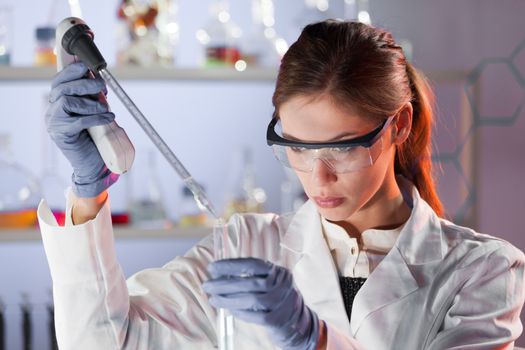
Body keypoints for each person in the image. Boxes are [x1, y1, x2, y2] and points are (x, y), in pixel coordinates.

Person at [39, 19, 525, 349]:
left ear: (398, 125)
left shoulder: (482, 271)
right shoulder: (245, 243)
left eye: (342, 148)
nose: (318, 178)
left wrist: (312, 338)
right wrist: (88, 192)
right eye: (297, 147)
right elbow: (103, 342)